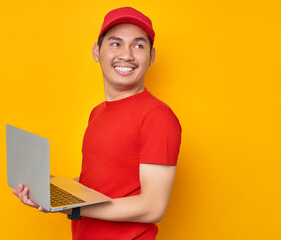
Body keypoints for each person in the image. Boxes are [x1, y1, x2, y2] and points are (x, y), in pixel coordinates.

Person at [13, 7, 182, 240]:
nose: (127, 55)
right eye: (115, 43)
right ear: (96, 51)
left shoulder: (157, 116)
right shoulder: (97, 113)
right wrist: (49, 190)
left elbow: (152, 207)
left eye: (138, 45)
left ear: (151, 56)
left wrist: (70, 206)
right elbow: (98, 185)